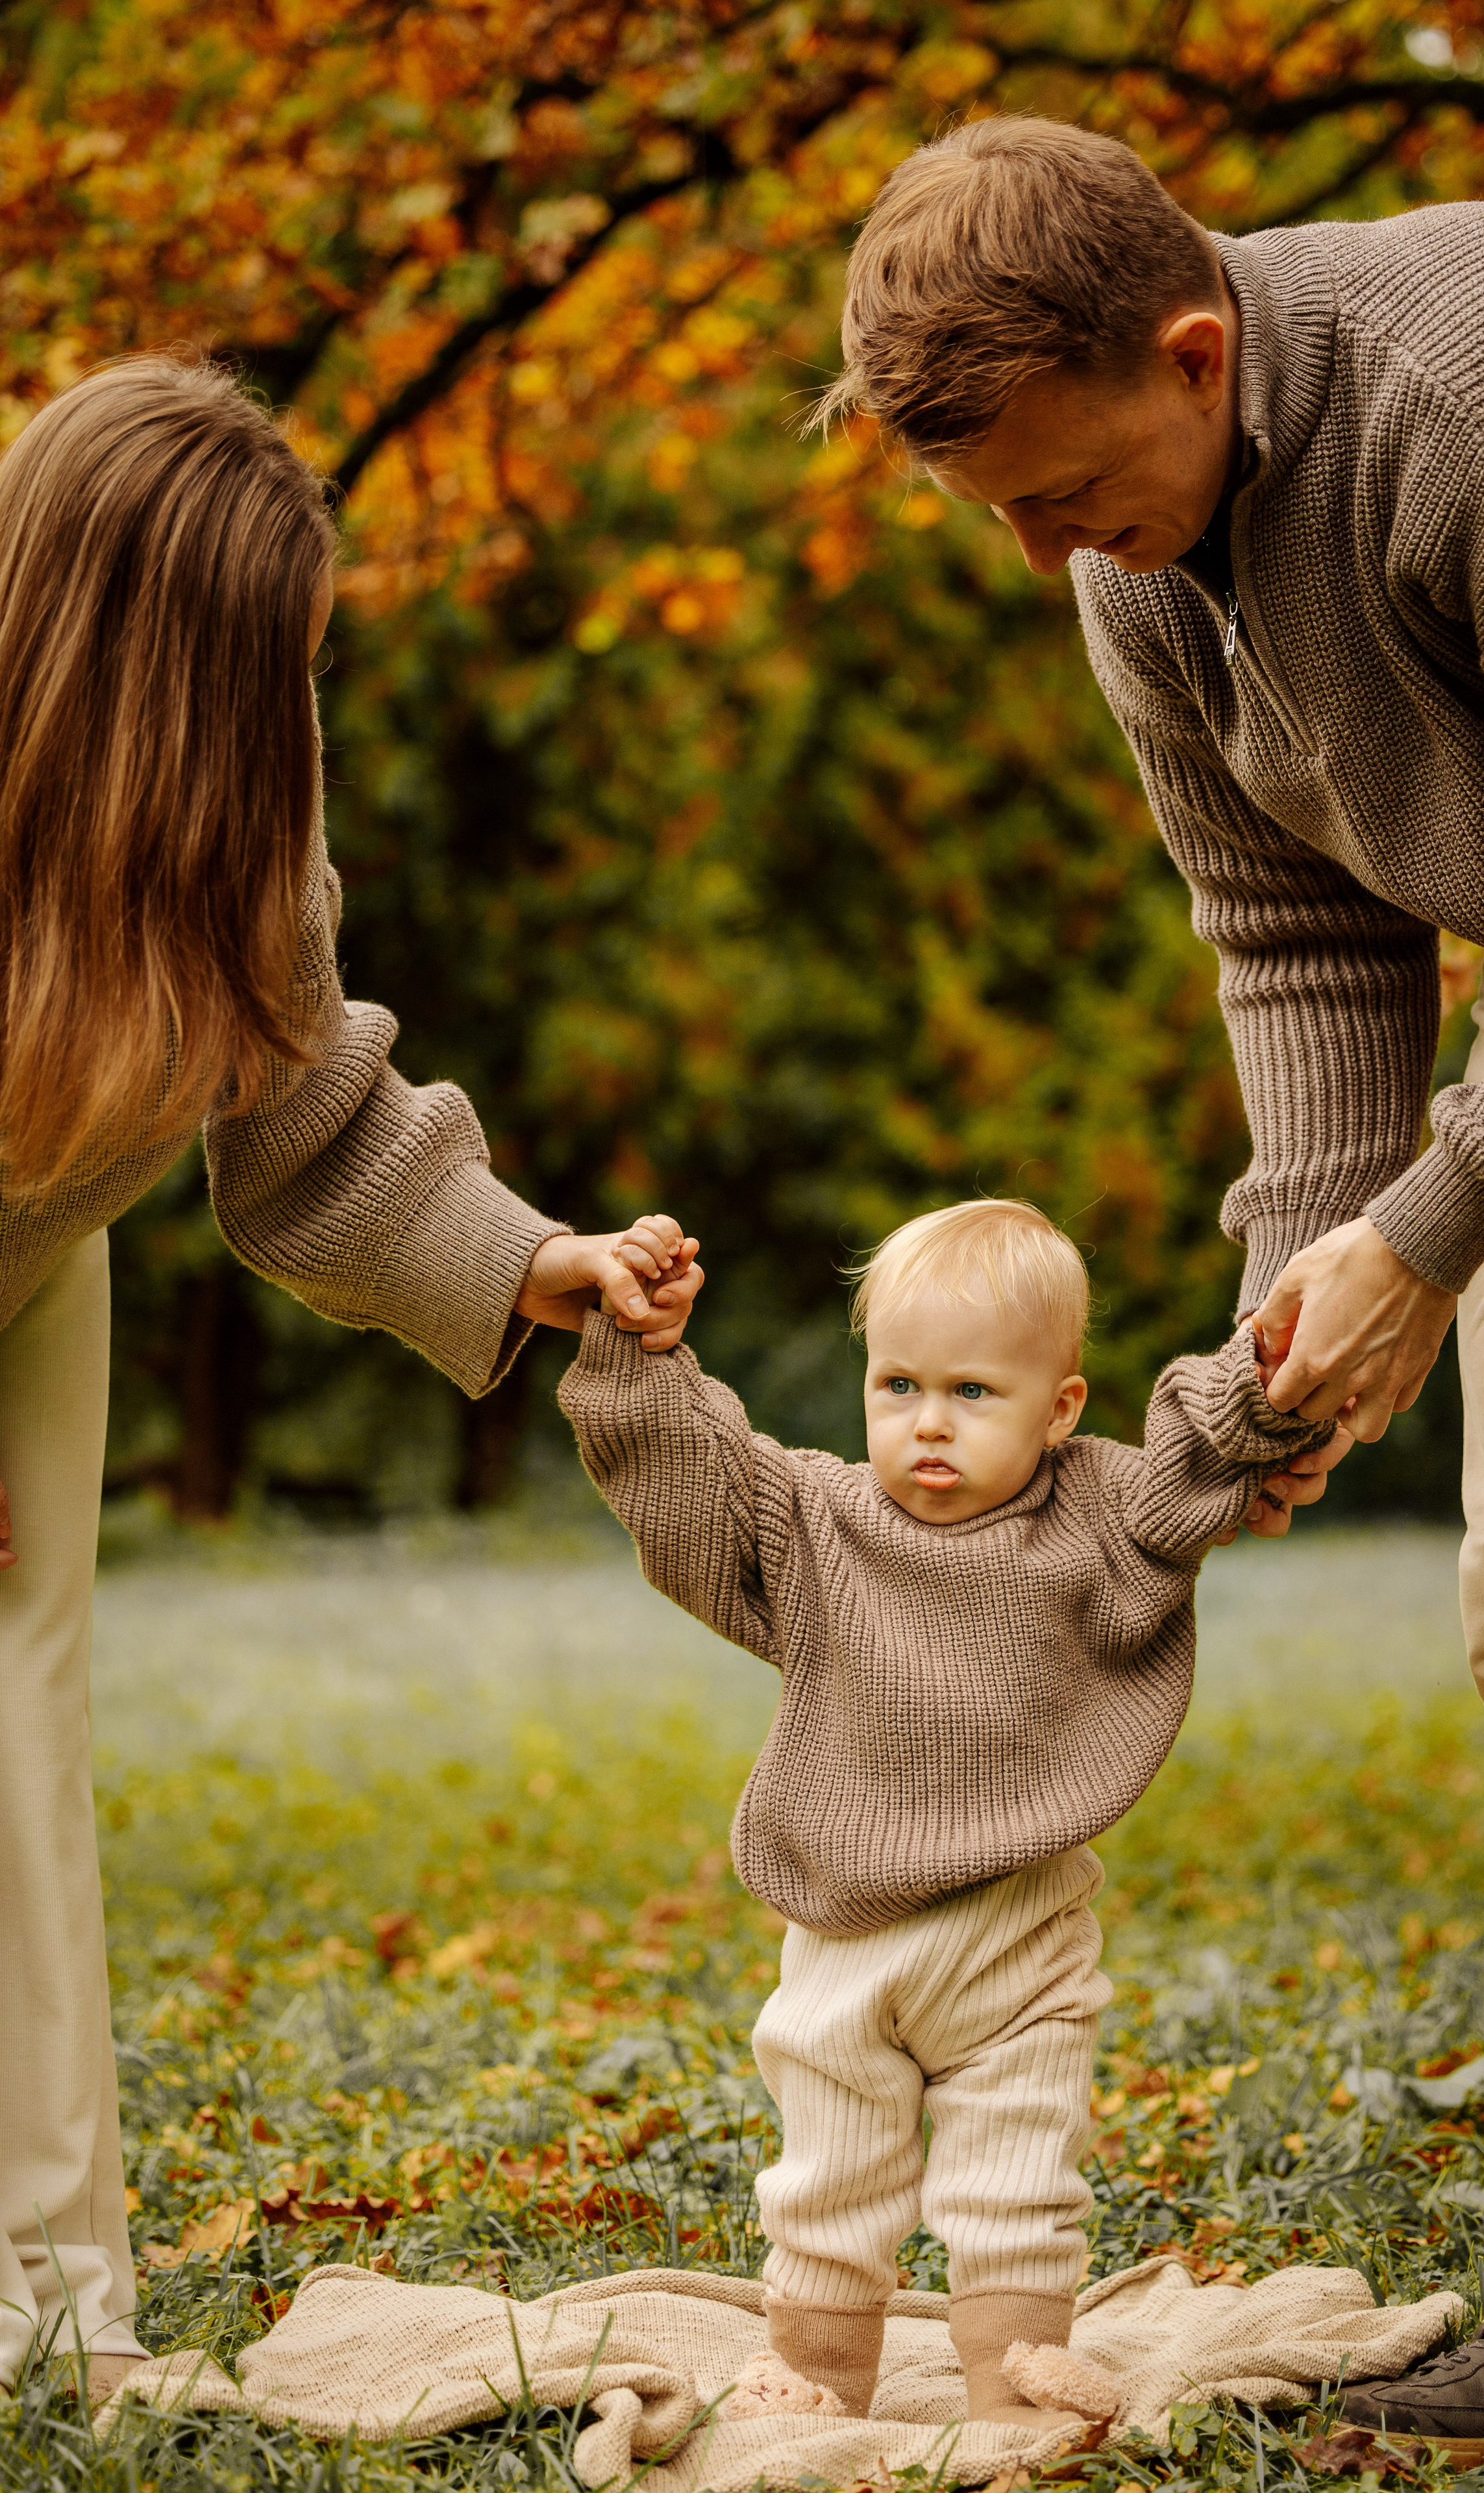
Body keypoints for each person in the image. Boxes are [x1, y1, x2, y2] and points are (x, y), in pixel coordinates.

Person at [815, 114, 1484, 2477]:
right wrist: (1310, 1289)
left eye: (1068, 494)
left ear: (1196, 351)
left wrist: (1441, 1220)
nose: (1046, 556)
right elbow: (1298, 928)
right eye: (1000, 515)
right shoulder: (1133, 555)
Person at [0, 355, 702, 2404]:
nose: (288, 715)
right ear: (143, 654)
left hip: (34, 1259)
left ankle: (45, 2300)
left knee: (18, 1739)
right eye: (263, 668)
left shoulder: (233, 827)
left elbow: (312, 1121)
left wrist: (536, 1261)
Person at [558, 1198, 1335, 2423]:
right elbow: (687, 1479)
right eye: (899, 1384)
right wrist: (637, 1346)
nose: (928, 1422)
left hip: (1022, 1935)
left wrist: (1278, 1372)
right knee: (830, 2176)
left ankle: (1016, 2384)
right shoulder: (814, 1523)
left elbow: (1205, 1449)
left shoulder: (1104, 1514)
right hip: (849, 1934)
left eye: (975, 1392)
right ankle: (814, 2376)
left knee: (1023, 2167)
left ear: (1061, 1409)